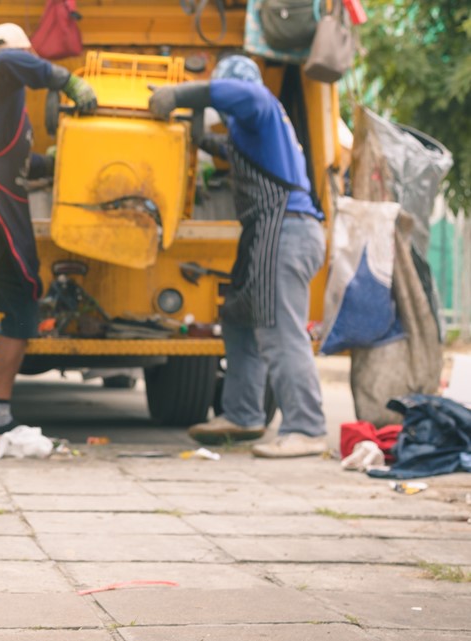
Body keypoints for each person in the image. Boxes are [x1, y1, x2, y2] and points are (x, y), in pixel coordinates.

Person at [148, 55, 328, 458]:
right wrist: (194, 133)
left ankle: (307, 427)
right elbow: (226, 148)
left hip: (286, 230)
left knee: (279, 328)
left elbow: (244, 93)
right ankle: (244, 413)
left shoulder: (260, 103)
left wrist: (177, 94)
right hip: (268, 233)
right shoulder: (256, 133)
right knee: (239, 317)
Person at [0, 23, 98, 455]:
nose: (28, 57)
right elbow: (10, 60)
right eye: (26, 52)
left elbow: (16, 160)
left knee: (24, 309)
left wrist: (55, 164)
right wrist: (69, 81)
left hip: (2, 219)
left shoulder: (7, 105)